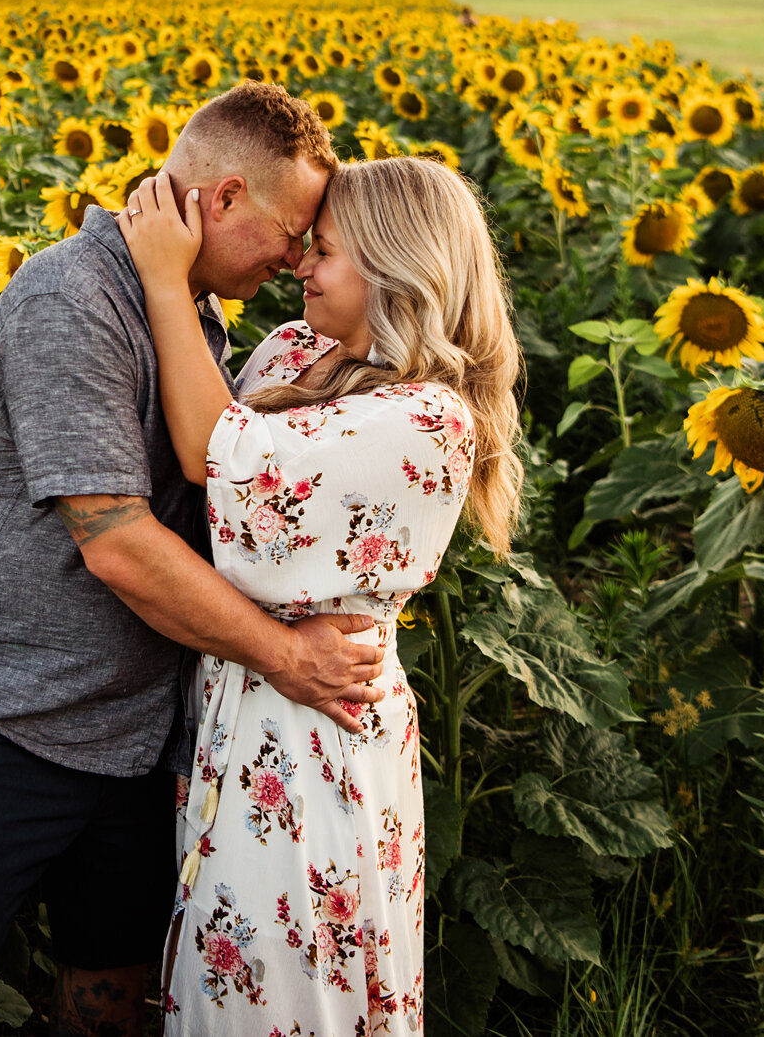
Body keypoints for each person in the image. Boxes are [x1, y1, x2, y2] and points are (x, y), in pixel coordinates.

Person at [0, 81, 390, 1035]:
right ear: (224, 196)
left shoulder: (189, 309)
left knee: (112, 1000)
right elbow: (116, 542)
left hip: (130, 737)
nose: (295, 259)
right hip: (5, 721)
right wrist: (288, 657)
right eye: (290, 232)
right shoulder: (68, 297)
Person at [117, 155, 523, 1036]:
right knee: (232, 972)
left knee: (287, 985)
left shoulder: (428, 418)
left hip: (313, 740)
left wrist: (160, 274)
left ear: (394, 266)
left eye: (325, 249)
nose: (302, 263)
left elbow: (214, 454)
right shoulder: (302, 351)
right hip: (245, 710)